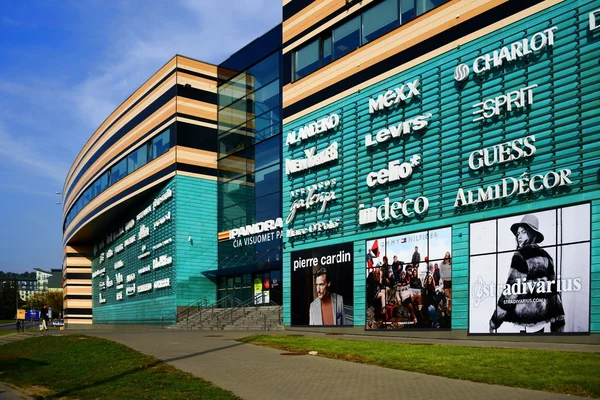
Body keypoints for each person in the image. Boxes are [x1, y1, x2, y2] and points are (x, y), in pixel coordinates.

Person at [489, 215, 565, 333]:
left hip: (524, 322)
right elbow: (554, 293)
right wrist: (558, 325)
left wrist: (495, 321)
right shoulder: (547, 257)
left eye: (523, 232)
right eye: (518, 233)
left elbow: (511, 291)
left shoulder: (520, 256)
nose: (519, 236)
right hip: (541, 323)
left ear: (532, 234)